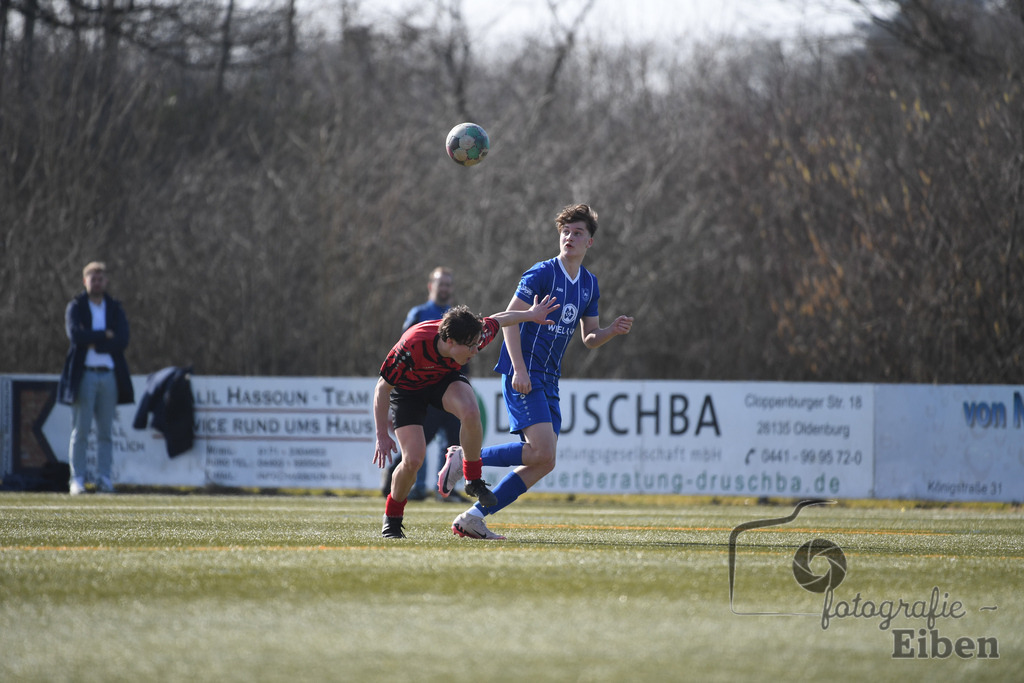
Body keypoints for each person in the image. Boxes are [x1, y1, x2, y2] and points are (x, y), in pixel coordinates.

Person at [448, 204, 633, 539]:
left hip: (549, 378)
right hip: (524, 371)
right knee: (544, 452)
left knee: (544, 461)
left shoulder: (589, 284)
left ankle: (474, 516)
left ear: (590, 242)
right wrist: (518, 369)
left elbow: (589, 338)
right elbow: (508, 320)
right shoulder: (542, 273)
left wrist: (611, 331)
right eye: (565, 232)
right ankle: (464, 456)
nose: (569, 237)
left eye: (578, 233)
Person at [373, 297, 560, 538]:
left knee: (471, 411)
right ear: (449, 341)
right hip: (409, 393)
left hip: (442, 380)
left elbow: (500, 318)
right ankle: (393, 517)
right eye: (470, 347)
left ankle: (472, 478)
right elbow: (382, 389)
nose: (475, 351)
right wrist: (381, 434)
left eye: (476, 345)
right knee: (413, 460)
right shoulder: (411, 346)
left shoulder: (474, 335)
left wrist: (531, 314)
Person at [381, 266, 466, 501]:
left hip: (447, 388)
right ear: (431, 286)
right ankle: (395, 484)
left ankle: (447, 491)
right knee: (417, 447)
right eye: (441, 283)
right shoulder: (419, 313)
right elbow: (402, 349)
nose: (445, 288)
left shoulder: (458, 316)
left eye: (449, 284)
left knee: (454, 444)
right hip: (421, 389)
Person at [57, 262, 135, 494]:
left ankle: (104, 478)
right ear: (85, 281)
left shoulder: (114, 308)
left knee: (105, 433)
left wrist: (95, 342)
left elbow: (122, 339)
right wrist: (104, 335)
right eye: (93, 278)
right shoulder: (76, 306)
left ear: (106, 281)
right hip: (84, 375)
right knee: (80, 430)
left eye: (100, 278)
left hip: (109, 375)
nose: (97, 282)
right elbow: (76, 336)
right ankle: (77, 479)